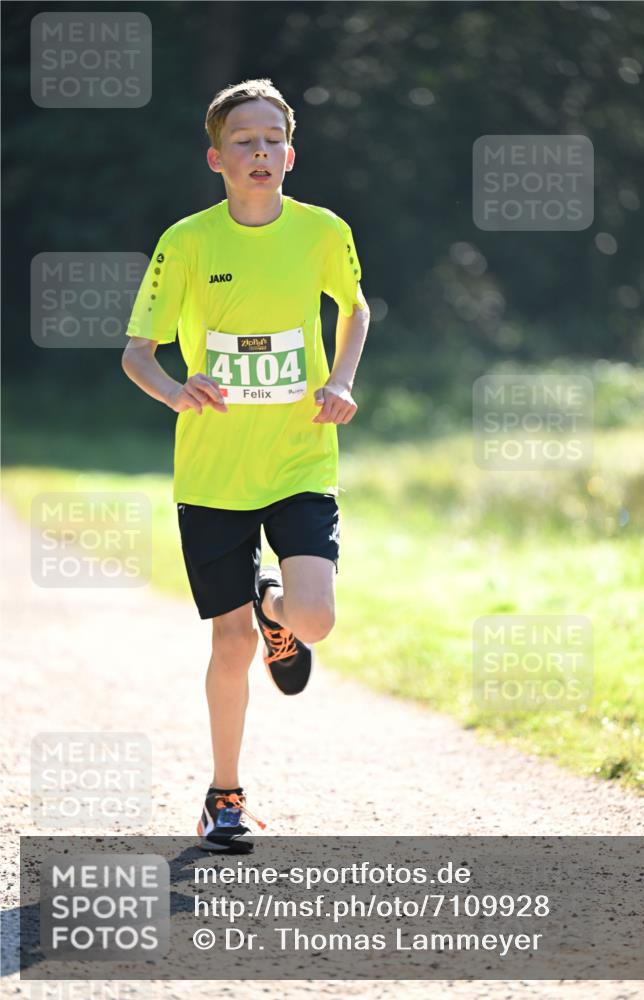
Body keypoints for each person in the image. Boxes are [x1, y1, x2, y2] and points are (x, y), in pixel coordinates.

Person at [121, 78, 370, 852]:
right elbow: (139, 354)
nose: (259, 151)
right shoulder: (187, 242)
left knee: (316, 617)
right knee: (228, 645)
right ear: (216, 158)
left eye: (271, 140)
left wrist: (339, 380)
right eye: (243, 141)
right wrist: (175, 391)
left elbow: (354, 307)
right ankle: (223, 795)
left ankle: (278, 614)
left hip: (299, 455)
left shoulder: (323, 230)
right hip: (213, 473)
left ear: (289, 155)